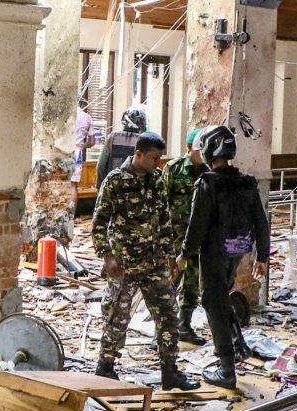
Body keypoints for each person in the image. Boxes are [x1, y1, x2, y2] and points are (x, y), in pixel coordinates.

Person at [91, 131, 201, 391]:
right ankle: (105, 368)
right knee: (116, 318)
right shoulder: (116, 181)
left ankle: (170, 371)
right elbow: (98, 223)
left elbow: (164, 221)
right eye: (153, 158)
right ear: (138, 154)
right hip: (124, 265)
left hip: (154, 264)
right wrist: (107, 257)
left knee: (168, 315)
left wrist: (170, 257)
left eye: (160, 158)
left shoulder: (156, 180)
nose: (157, 163)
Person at [178, 125, 269, 390]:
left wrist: (184, 253)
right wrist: (262, 255)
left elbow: (197, 225)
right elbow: (260, 222)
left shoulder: (208, 183)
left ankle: (226, 369)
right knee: (221, 297)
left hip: (214, 253)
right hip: (238, 251)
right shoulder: (247, 182)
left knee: (213, 303)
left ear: (208, 151)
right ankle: (237, 344)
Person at [161, 128, 209, 345]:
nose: (203, 154)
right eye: (200, 150)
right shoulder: (174, 168)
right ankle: (162, 332)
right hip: (175, 236)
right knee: (170, 282)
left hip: (198, 237)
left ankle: (184, 326)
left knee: (192, 284)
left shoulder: (208, 172)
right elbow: (160, 203)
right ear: (189, 148)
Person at [95, 107, 146, 187]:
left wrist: (100, 186)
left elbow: (101, 166)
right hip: (136, 188)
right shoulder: (144, 141)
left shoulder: (112, 138)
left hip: (113, 186)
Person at [71, 100, 96, 211]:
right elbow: (92, 142)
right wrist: (81, 145)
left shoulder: (66, 114)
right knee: (73, 186)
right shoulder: (87, 117)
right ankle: (71, 217)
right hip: (77, 152)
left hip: (62, 152)